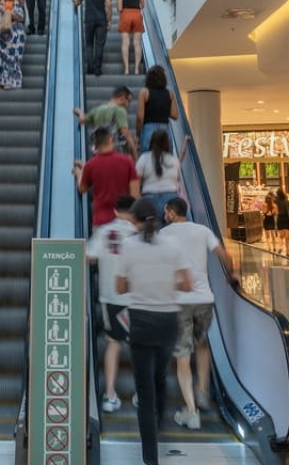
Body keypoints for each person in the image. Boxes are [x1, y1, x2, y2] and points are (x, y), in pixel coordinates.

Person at [116, 197, 193, 465]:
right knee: (160, 378)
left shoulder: (127, 246)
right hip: (167, 322)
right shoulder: (172, 246)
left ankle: (151, 457)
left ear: (135, 220)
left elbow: (120, 287)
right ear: (158, 219)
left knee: (144, 389)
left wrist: (140, 280)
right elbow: (186, 285)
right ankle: (159, 423)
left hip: (141, 322)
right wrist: (165, 281)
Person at [162, 197, 235, 428]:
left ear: (172, 213)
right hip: (205, 299)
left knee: (182, 355)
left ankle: (191, 411)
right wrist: (231, 275)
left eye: (166, 212)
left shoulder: (164, 235)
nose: (165, 216)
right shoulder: (202, 230)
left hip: (180, 301)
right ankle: (203, 390)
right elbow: (224, 254)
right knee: (202, 345)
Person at [85, 196, 139, 414]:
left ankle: (110, 395)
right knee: (139, 346)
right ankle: (142, 394)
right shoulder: (138, 234)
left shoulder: (104, 231)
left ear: (115, 211)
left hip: (110, 297)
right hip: (137, 298)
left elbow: (89, 257)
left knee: (113, 343)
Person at [74, 127, 141, 228]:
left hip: (101, 222)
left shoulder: (90, 165)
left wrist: (79, 173)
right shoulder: (127, 161)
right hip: (124, 221)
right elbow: (135, 195)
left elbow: (82, 188)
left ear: (95, 144)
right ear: (111, 139)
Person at [135, 130, 183, 227]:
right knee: (170, 233)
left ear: (152, 142)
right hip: (171, 199)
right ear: (167, 144)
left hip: (149, 198)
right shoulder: (174, 160)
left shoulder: (144, 158)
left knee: (152, 235)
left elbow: (136, 183)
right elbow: (177, 180)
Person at [74, 85, 137, 154]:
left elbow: (82, 120)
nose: (129, 105)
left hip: (98, 152)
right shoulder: (120, 110)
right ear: (122, 98)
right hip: (112, 151)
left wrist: (79, 112)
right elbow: (126, 134)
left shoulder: (98, 110)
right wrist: (135, 154)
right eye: (129, 101)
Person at [136, 66, 179, 158]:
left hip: (149, 129)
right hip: (165, 129)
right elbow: (175, 115)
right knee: (166, 159)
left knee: (147, 160)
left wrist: (138, 134)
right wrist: (162, 108)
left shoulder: (144, 92)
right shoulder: (169, 93)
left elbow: (140, 117)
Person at [74, 0, 112, 76]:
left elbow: (77, 3)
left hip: (89, 21)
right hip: (101, 21)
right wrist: (109, 20)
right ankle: (97, 69)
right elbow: (108, 5)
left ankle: (89, 68)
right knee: (99, 45)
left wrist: (73, 0)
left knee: (89, 44)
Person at [0, 0, 27, 89]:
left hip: (15, 35)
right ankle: (0, 81)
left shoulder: (17, 4)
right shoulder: (3, 4)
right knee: (1, 58)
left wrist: (7, 10)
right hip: (3, 35)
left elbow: (20, 17)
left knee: (12, 59)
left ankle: (10, 82)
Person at [118, 0, 146, 75]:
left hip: (125, 14)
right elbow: (142, 5)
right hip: (137, 14)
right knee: (137, 44)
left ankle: (126, 69)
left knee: (125, 43)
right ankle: (137, 69)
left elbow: (120, 8)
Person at [275, 188, 289, 255]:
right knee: (287, 237)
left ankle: (280, 247)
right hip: (287, 218)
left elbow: (275, 210)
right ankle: (287, 251)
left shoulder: (276, 201)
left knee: (281, 236)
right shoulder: (286, 200)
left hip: (280, 218)